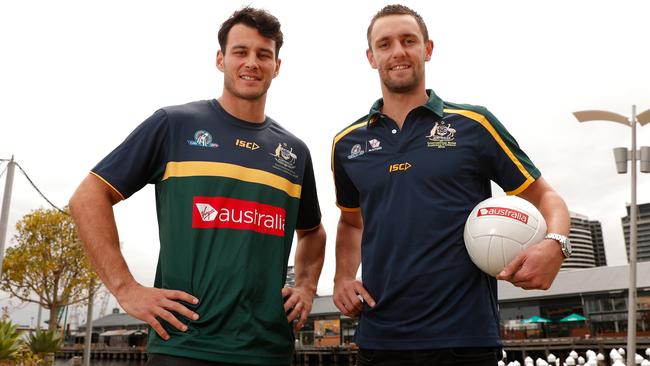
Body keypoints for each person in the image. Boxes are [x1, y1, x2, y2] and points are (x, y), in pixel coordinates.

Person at [69, 7, 326, 366]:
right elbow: (88, 197)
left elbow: (313, 233)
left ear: (277, 66)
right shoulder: (174, 125)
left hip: (268, 349)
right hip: (184, 346)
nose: (251, 62)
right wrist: (126, 289)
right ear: (221, 59)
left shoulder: (294, 152)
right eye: (241, 51)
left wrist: (306, 287)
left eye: (263, 54)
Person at [331, 5, 570, 366]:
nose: (398, 51)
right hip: (379, 340)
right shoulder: (347, 143)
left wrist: (556, 245)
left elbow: (545, 196)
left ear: (427, 49)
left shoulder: (474, 124)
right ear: (371, 57)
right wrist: (342, 278)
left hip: (466, 340)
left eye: (408, 40)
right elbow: (351, 222)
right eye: (385, 44)